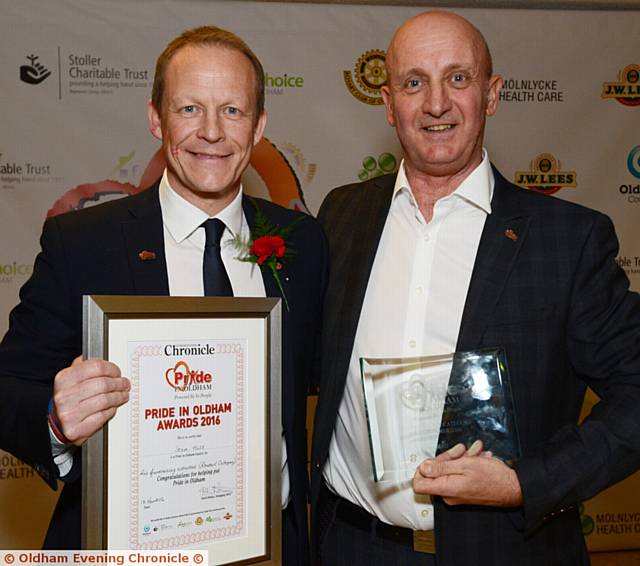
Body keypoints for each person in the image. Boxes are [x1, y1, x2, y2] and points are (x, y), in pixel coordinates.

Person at [310, 10, 640, 566]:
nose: (436, 103)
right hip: (350, 545)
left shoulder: (568, 241)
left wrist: (524, 483)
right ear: (389, 103)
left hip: (505, 551)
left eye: (458, 78)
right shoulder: (342, 214)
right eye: (414, 82)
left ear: (491, 94)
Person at [0, 26, 326, 564]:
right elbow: (9, 385)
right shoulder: (83, 242)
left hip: (272, 549)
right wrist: (55, 419)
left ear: (259, 125)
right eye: (190, 109)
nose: (212, 133)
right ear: (156, 118)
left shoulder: (303, 242)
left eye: (233, 111)